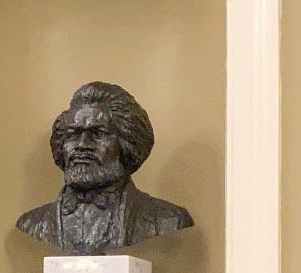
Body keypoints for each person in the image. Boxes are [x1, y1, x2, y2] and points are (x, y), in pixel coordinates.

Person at [16, 81, 194, 255]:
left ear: (127, 142)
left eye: (99, 134)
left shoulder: (168, 221)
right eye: (72, 135)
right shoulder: (30, 226)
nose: (82, 145)